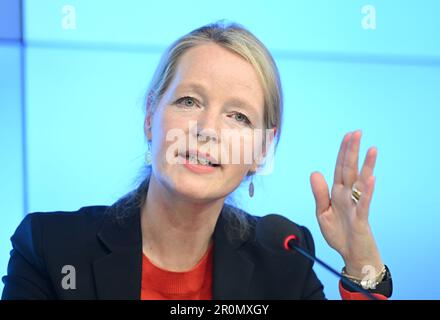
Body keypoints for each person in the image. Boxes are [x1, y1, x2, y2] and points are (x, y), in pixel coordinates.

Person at [2, 21, 392, 300]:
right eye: (189, 101)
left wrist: (361, 259)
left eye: (238, 116)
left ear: (260, 152)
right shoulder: (50, 249)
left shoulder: (284, 261)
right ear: (151, 117)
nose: (207, 129)